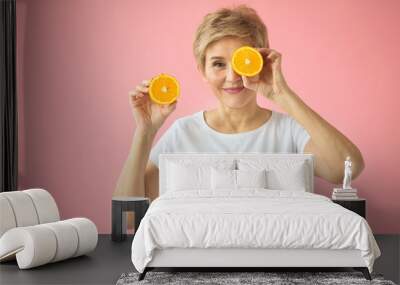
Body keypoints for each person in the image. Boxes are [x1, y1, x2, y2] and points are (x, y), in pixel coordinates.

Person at [113, 5, 364, 202]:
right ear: (202, 70)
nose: (232, 77)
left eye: (242, 62)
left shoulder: (287, 131)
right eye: (219, 64)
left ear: (261, 62)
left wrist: (282, 94)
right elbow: (128, 215)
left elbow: (347, 168)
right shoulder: (184, 133)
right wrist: (145, 134)